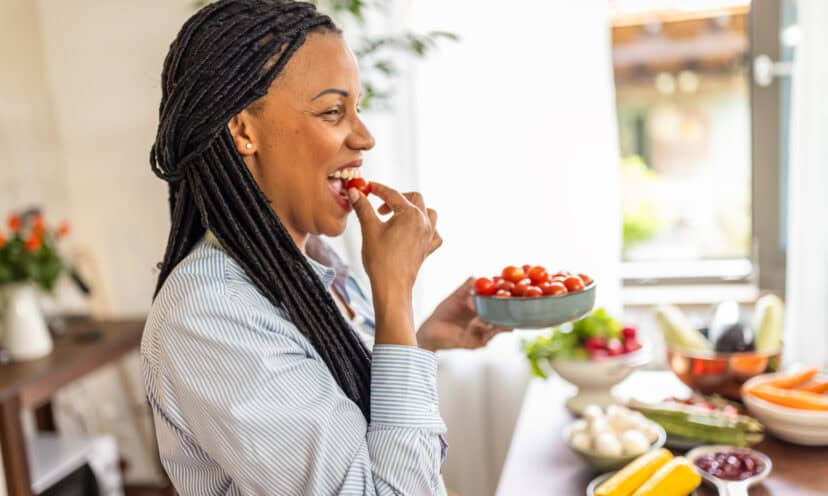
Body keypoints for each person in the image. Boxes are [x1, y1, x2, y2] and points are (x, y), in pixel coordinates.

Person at [141, 0, 509, 494]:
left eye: (357, 109)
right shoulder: (211, 314)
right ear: (244, 130)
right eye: (333, 111)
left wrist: (421, 340)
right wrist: (394, 293)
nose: (365, 137)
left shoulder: (318, 268)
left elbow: (360, 430)